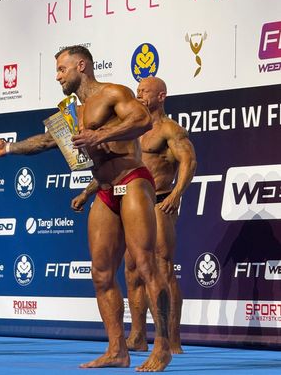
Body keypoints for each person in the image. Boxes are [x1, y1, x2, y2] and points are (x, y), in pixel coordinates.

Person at [0, 46, 172, 371]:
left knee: (145, 264)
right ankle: (117, 350)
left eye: (62, 69)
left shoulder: (113, 92)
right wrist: (9, 148)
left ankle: (163, 347)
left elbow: (142, 120)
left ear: (81, 66)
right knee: (101, 273)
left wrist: (100, 135)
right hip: (104, 190)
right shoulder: (73, 112)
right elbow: (47, 141)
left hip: (132, 180)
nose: (57, 76)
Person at [72, 76, 196, 355]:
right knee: (131, 270)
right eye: (138, 90)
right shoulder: (129, 128)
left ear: (161, 96)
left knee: (160, 267)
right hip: (129, 198)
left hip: (159, 201)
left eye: (146, 91)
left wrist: (176, 194)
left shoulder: (169, 129)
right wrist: (87, 192)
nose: (140, 95)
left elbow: (189, 161)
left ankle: (172, 340)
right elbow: (118, 167)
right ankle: (138, 335)